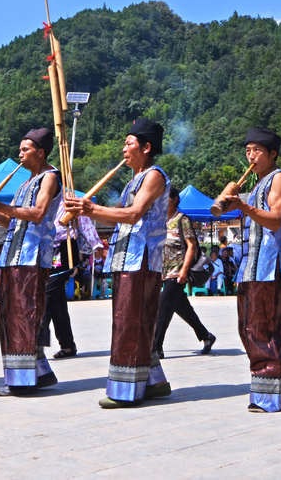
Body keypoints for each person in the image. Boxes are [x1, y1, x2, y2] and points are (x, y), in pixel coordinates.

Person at [64, 118, 170, 408]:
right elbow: (117, 216)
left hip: (141, 259)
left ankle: (126, 390)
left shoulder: (154, 176)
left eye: (129, 143)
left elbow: (134, 214)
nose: (124, 149)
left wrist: (92, 207)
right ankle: (155, 381)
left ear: (146, 148)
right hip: (125, 258)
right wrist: (84, 213)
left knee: (130, 321)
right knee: (132, 319)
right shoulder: (133, 180)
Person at [0, 128, 63, 396]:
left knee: (24, 315)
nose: (20, 154)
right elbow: (12, 220)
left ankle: (23, 380)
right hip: (13, 255)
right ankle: (41, 372)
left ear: (40, 151)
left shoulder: (50, 177)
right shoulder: (25, 183)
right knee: (11, 314)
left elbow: (36, 214)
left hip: (33, 255)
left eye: (25, 150)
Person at [220, 127, 281, 412]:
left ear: (273, 154)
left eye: (257, 151)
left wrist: (241, 205)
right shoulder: (258, 184)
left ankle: (270, 395)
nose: (251, 156)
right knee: (251, 327)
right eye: (248, 151)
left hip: (271, 266)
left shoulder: (279, 179)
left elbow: (276, 220)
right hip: (252, 265)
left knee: (262, 329)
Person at [153, 186, 216, 358]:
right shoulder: (162, 221)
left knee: (163, 306)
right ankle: (206, 336)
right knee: (182, 308)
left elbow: (191, 245)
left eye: (165, 198)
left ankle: (156, 347)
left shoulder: (182, 219)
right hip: (165, 272)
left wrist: (184, 270)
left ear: (174, 200)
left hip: (178, 271)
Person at [38, 211, 102, 359]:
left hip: (65, 250)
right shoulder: (42, 199)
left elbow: (86, 226)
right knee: (57, 302)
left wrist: (98, 247)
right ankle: (67, 345)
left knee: (46, 295)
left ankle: (36, 342)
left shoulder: (69, 201)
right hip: (46, 251)